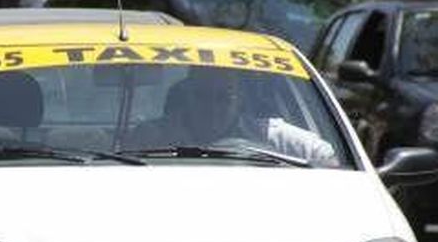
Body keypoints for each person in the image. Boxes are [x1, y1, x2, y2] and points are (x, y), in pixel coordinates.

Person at [126, 67, 338, 166]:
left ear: (240, 100)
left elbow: (326, 158)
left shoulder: (275, 139)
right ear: (186, 95)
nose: (212, 107)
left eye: (223, 97)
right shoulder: (150, 138)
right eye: (202, 96)